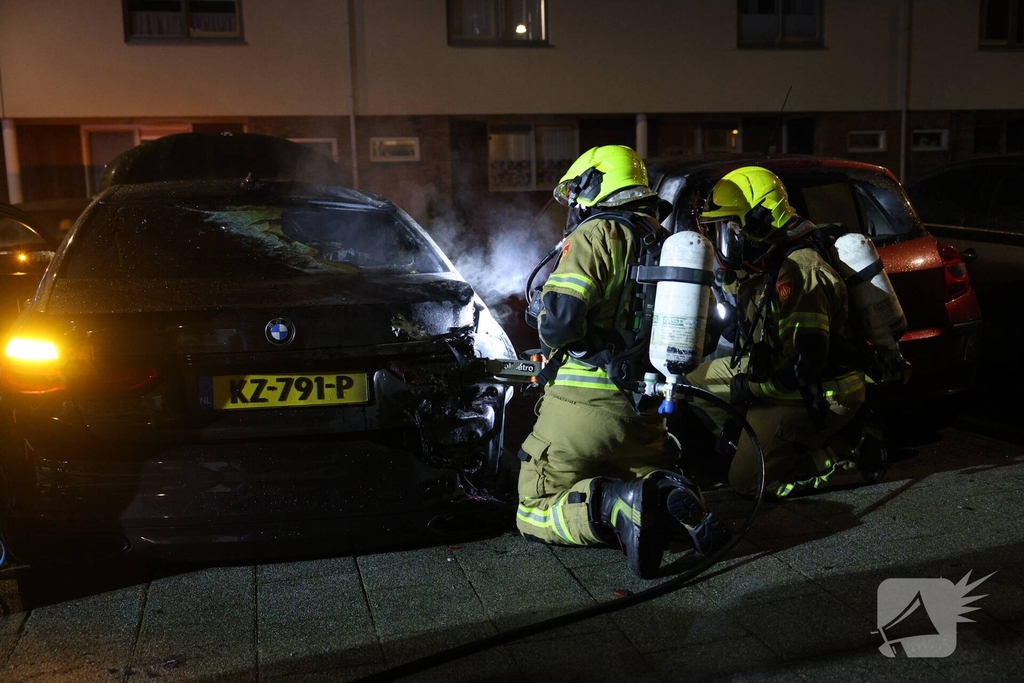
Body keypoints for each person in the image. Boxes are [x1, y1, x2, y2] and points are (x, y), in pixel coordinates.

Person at [515, 145, 727, 580]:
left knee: (532, 508)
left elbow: (559, 325)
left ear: (595, 184)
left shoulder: (598, 234)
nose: (574, 204)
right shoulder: (670, 243)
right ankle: (675, 499)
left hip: (581, 409)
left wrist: (539, 311)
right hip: (646, 416)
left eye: (576, 193)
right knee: (649, 477)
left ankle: (613, 506)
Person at [687, 166, 868, 498]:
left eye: (726, 227)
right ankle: (757, 443)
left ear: (755, 223)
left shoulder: (800, 272)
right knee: (697, 382)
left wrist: (750, 389)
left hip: (821, 391)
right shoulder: (767, 259)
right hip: (779, 371)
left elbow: (805, 365)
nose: (720, 237)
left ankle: (828, 458)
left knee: (744, 484)